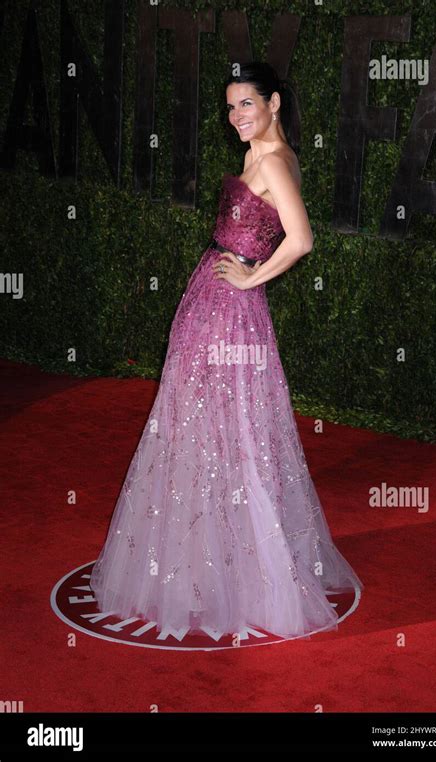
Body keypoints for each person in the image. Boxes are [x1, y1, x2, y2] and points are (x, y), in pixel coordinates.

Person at [89, 61, 363, 643]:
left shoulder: (270, 161)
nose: (236, 116)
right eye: (231, 106)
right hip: (215, 304)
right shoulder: (262, 156)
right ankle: (216, 553)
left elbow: (303, 237)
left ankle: (234, 565)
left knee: (223, 426)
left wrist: (252, 277)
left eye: (246, 104)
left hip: (229, 312)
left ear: (275, 103)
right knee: (214, 424)